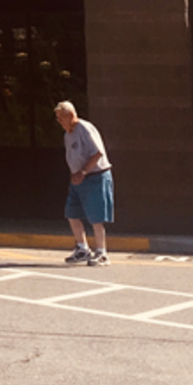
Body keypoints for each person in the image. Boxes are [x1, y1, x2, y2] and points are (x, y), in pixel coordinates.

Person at [54, 101, 112, 266]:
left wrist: (84, 171)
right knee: (72, 213)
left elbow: (98, 153)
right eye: (57, 118)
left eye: (61, 118)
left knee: (95, 216)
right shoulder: (67, 135)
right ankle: (82, 248)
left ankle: (102, 252)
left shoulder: (85, 129)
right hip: (78, 179)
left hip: (94, 176)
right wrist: (75, 175)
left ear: (71, 115)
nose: (59, 122)